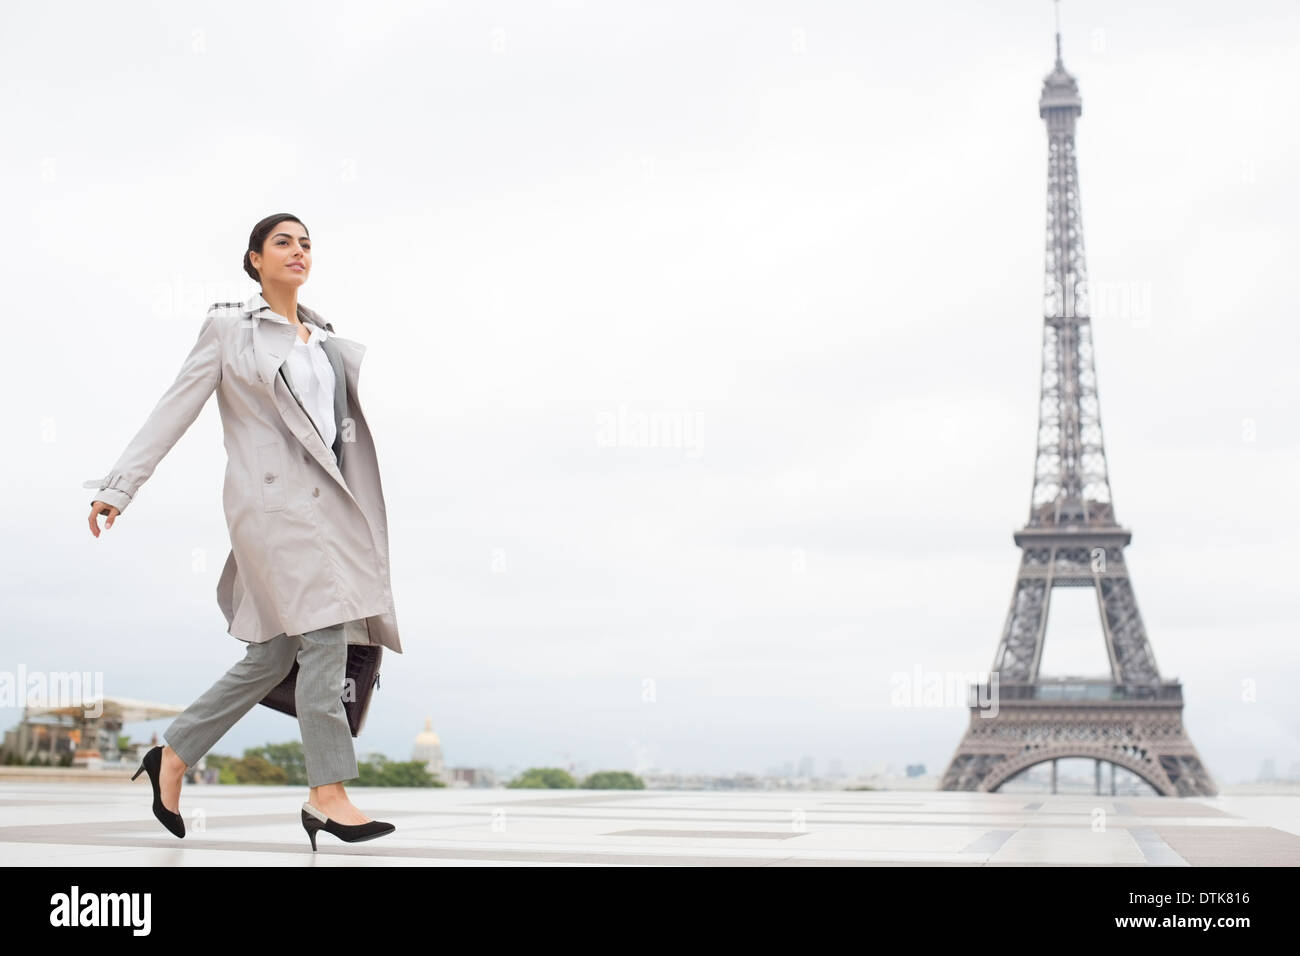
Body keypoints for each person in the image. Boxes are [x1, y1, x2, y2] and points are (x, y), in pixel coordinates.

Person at [87, 214, 401, 850]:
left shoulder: (325, 339)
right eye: (283, 242)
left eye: (306, 244)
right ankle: (328, 793)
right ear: (255, 259)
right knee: (322, 636)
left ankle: (172, 754)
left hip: (331, 512)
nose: (298, 252)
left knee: (276, 653)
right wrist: (120, 487)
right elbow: (173, 407)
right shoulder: (230, 328)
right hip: (271, 511)